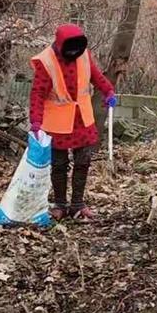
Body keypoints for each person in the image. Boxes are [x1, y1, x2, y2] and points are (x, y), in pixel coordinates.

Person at [29, 24, 116, 221]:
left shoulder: (84, 55)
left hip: (82, 118)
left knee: (83, 160)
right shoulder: (46, 61)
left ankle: (78, 203)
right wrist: (35, 121)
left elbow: (96, 76)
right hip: (57, 122)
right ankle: (60, 204)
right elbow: (37, 93)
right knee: (59, 164)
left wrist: (108, 91)